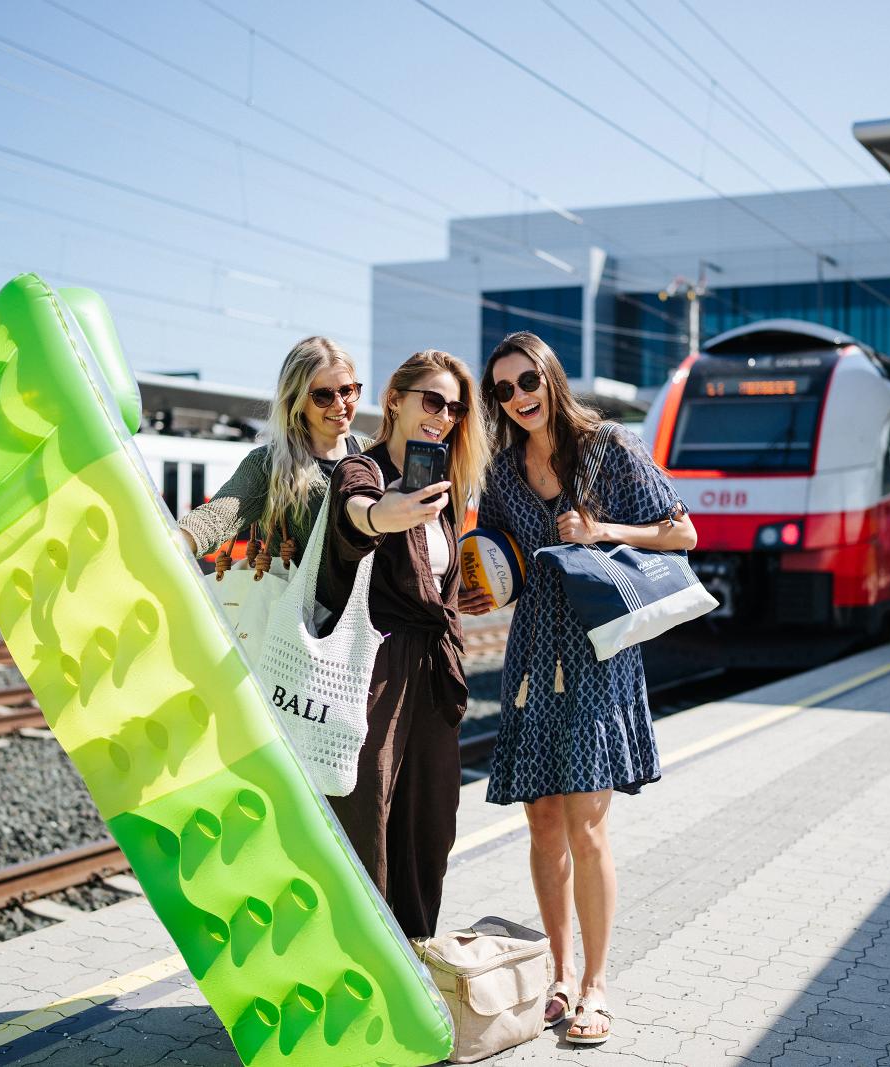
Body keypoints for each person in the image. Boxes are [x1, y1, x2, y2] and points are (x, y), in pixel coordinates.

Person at [460, 331, 697, 1046]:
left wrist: (603, 529)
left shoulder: (609, 446)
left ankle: (597, 983)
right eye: (501, 389)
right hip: (534, 653)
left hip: (598, 650)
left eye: (526, 379)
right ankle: (559, 975)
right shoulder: (501, 472)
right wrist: (482, 589)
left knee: (587, 825)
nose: (518, 397)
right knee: (541, 821)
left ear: (550, 376)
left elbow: (683, 533)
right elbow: (504, 560)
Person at [322, 349, 491, 940]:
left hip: (430, 668)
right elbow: (358, 512)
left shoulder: (441, 489)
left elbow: (431, 580)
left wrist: (458, 598)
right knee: (368, 816)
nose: (443, 416)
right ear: (394, 399)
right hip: (375, 666)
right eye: (432, 400)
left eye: (455, 408)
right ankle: (362, 960)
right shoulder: (362, 470)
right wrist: (384, 515)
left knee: (430, 820)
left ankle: (414, 950)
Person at [178, 336, 366, 596]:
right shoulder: (270, 464)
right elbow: (216, 518)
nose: (339, 404)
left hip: (373, 627)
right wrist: (170, 542)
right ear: (296, 401)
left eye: (347, 390)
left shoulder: (373, 454)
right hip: (305, 628)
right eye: (323, 396)